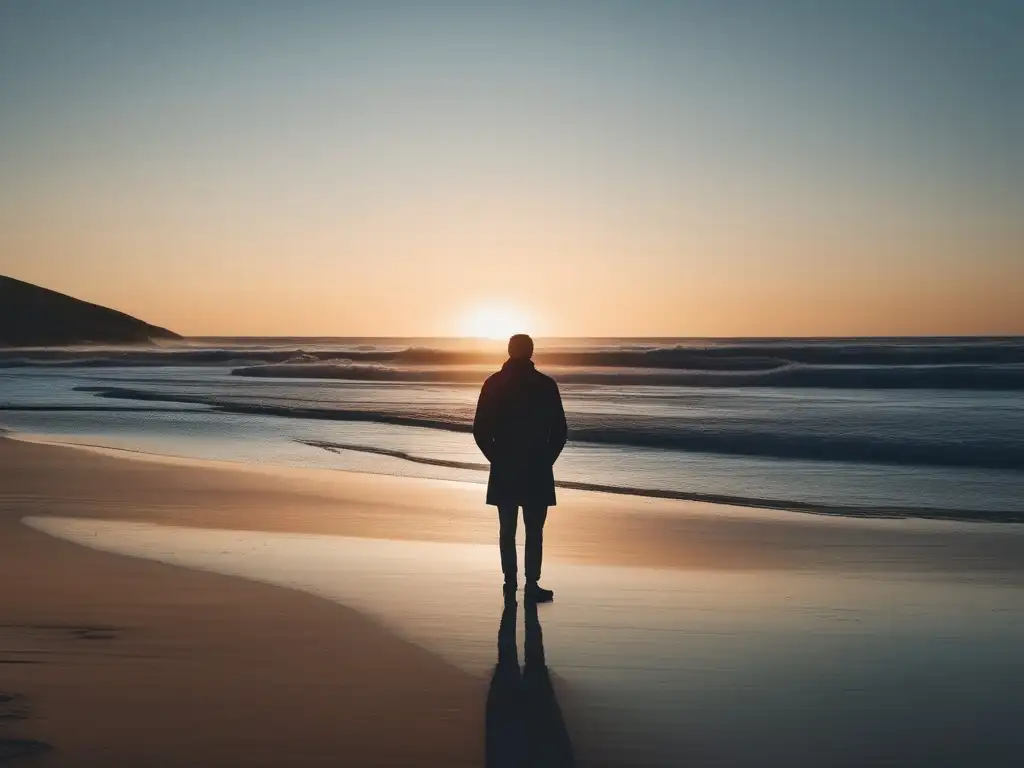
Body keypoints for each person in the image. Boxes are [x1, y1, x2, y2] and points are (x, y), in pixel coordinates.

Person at [473, 334, 567, 603]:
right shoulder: (545, 384)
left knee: (507, 528)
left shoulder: (493, 383)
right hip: (536, 463)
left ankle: (510, 582)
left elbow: (480, 431)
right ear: (531, 352)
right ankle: (531, 583)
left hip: (506, 463)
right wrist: (546, 459)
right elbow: (559, 431)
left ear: (509, 351)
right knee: (534, 529)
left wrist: (496, 458)